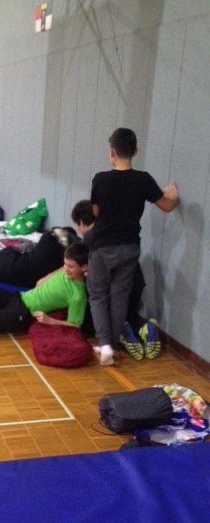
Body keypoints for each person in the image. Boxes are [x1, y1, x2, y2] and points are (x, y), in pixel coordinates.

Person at [86, 128, 179, 367]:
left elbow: (95, 211)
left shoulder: (100, 179)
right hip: (129, 247)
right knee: (120, 297)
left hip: (102, 247)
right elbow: (167, 206)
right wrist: (173, 195)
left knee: (98, 295)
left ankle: (104, 344)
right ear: (136, 151)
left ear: (112, 152)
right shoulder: (143, 180)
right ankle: (113, 343)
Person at [71, 199, 148, 359]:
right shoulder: (116, 226)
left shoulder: (91, 238)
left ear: (81, 222)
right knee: (121, 302)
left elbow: (100, 289)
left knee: (97, 299)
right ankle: (133, 331)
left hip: (118, 287)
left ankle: (107, 343)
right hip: (135, 283)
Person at [0, 227, 79, 288]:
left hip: (8, 265)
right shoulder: (64, 263)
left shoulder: (49, 238)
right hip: (22, 280)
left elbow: (53, 231)